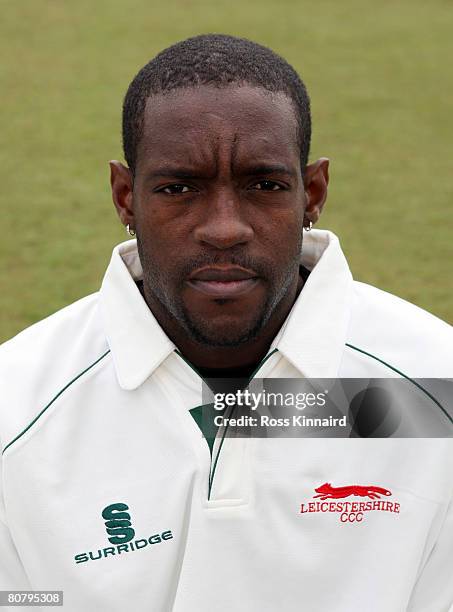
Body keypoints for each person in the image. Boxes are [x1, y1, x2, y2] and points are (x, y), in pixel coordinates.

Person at [0, 34, 452, 612]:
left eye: (264, 186)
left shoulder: (438, 385)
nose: (224, 228)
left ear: (312, 194)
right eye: (178, 188)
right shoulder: (17, 407)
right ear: (125, 197)